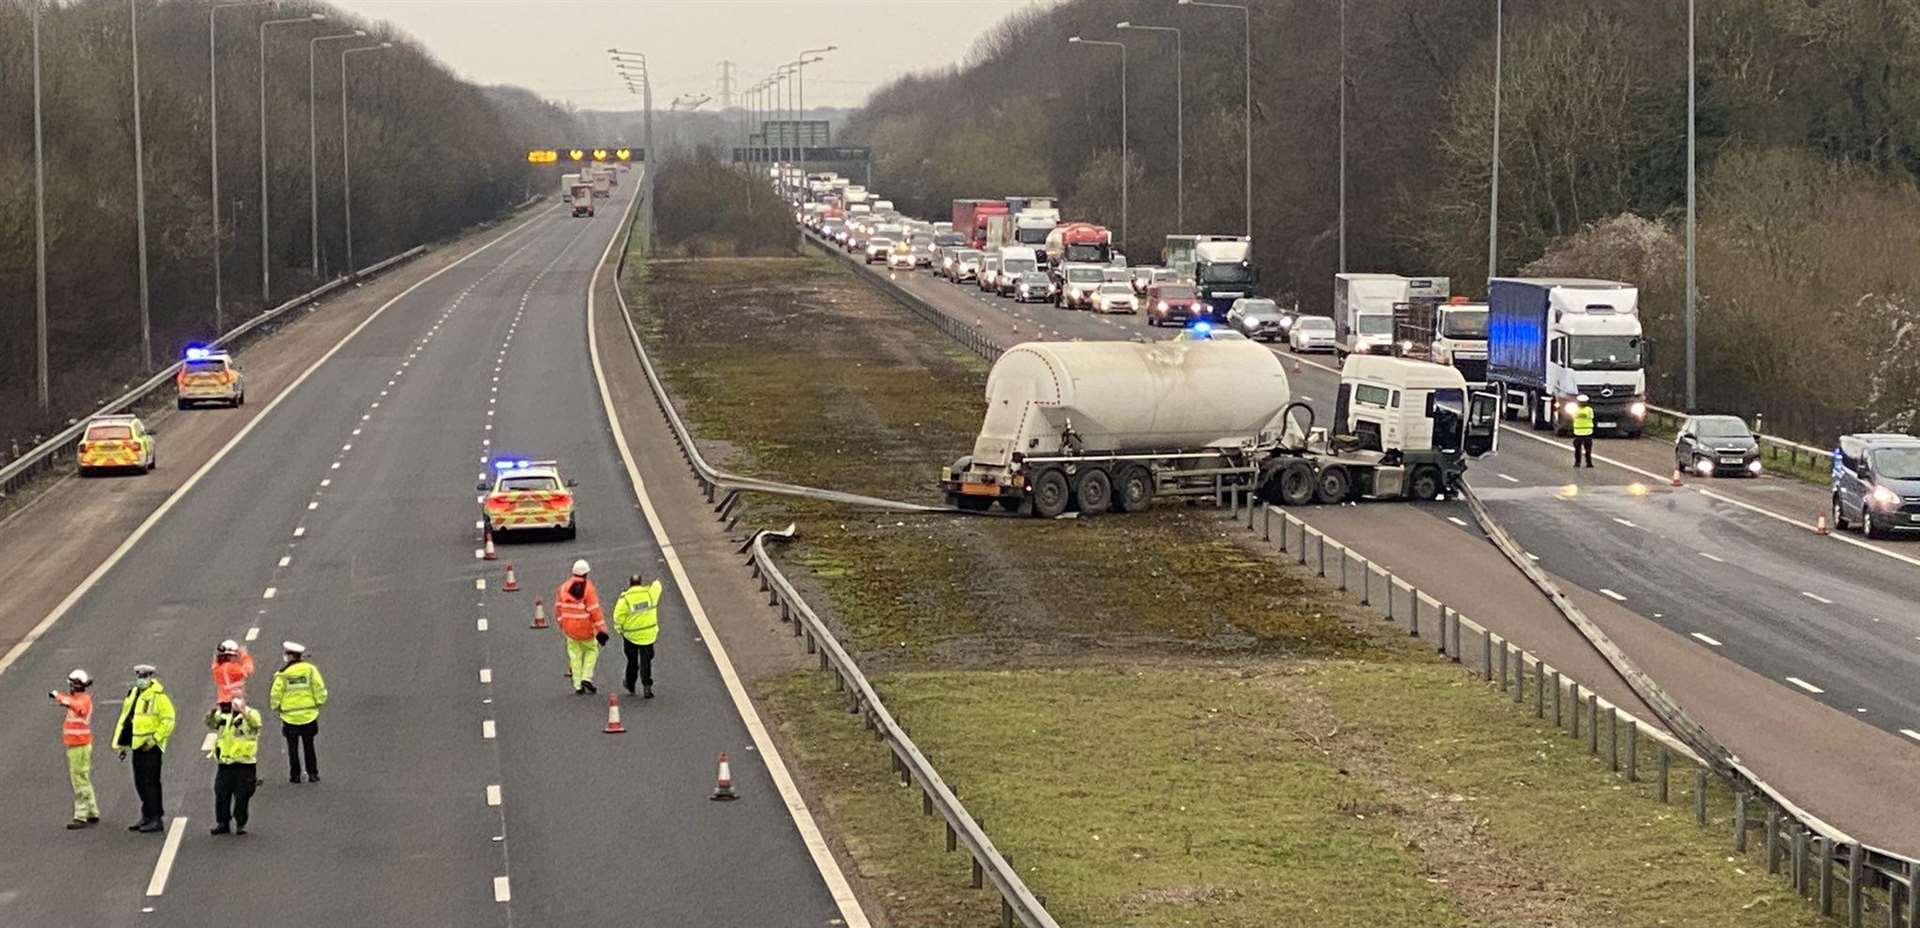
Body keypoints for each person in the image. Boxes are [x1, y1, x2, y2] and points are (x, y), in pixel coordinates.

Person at [112, 664, 175, 833]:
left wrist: (154, 740)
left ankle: (156, 818)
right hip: (136, 746)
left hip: (151, 748)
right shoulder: (134, 694)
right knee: (140, 783)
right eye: (139, 676)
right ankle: (146, 815)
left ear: (151, 678)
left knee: (151, 783)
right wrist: (122, 745)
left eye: (144, 676)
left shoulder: (159, 698)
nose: (141, 680)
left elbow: (168, 721)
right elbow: (127, 719)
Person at [49, 669, 100, 830]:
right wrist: (60, 698)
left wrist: (59, 697)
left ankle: (81, 815)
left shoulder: (83, 700)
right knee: (83, 778)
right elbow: (70, 701)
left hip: (80, 746)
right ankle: (92, 811)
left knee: (79, 781)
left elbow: (77, 707)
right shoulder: (76, 698)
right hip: (76, 745)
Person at [270, 642, 327, 784]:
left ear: (289, 656)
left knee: (292, 748)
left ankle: (295, 775)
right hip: (309, 715)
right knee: (309, 745)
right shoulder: (310, 670)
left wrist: (276, 707)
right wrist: (318, 702)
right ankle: (313, 773)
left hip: (290, 717)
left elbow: (276, 694)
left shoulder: (283, 674)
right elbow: (319, 688)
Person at [204, 698, 262, 835]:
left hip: (244, 763)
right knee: (221, 793)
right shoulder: (225, 716)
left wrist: (243, 712)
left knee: (242, 795)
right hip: (226, 763)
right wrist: (212, 712)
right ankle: (222, 823)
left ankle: (240, 823)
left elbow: (256, 725)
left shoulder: (252, 714)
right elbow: (211, 723)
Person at [554, 559, 607, 694]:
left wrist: (563, 625)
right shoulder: (589, 589)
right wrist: (602, 630)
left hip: (570, 629)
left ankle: (578, 685)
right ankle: (586, 677)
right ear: (586, 574)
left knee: (574, 655)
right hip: (586, 629)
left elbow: (558, 609)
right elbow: (595, 610)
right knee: (591, 651)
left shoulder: (563, 588)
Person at [613, 574, 665, 698]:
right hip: (648, 635)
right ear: (640, 583)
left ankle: (630, 684)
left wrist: (620, 630)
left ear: (630, 584)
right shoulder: (649, 594)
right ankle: (647, 686)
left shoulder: (625, 599)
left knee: (632, 660)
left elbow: (618, 617)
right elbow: (657, 585)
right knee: (646, 661)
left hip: (630, 635)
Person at [211, 639, 254, 704]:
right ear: (230, 656)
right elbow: (249, 669)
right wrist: (244, 656)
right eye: (235, 656)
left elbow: (215, 661)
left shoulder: (217, 668)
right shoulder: (231, 668)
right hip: (234, 701)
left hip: (221, 700)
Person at [1570, 394, 1596, 468]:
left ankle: (1582, 463)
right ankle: (1584, 463)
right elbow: (1591, 417)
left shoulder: (1577, 410)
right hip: (1583, 432)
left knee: (1583, 450)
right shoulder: (1589, 410)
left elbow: (1573, 416)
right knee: (1583, 450)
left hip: (1582, 432)